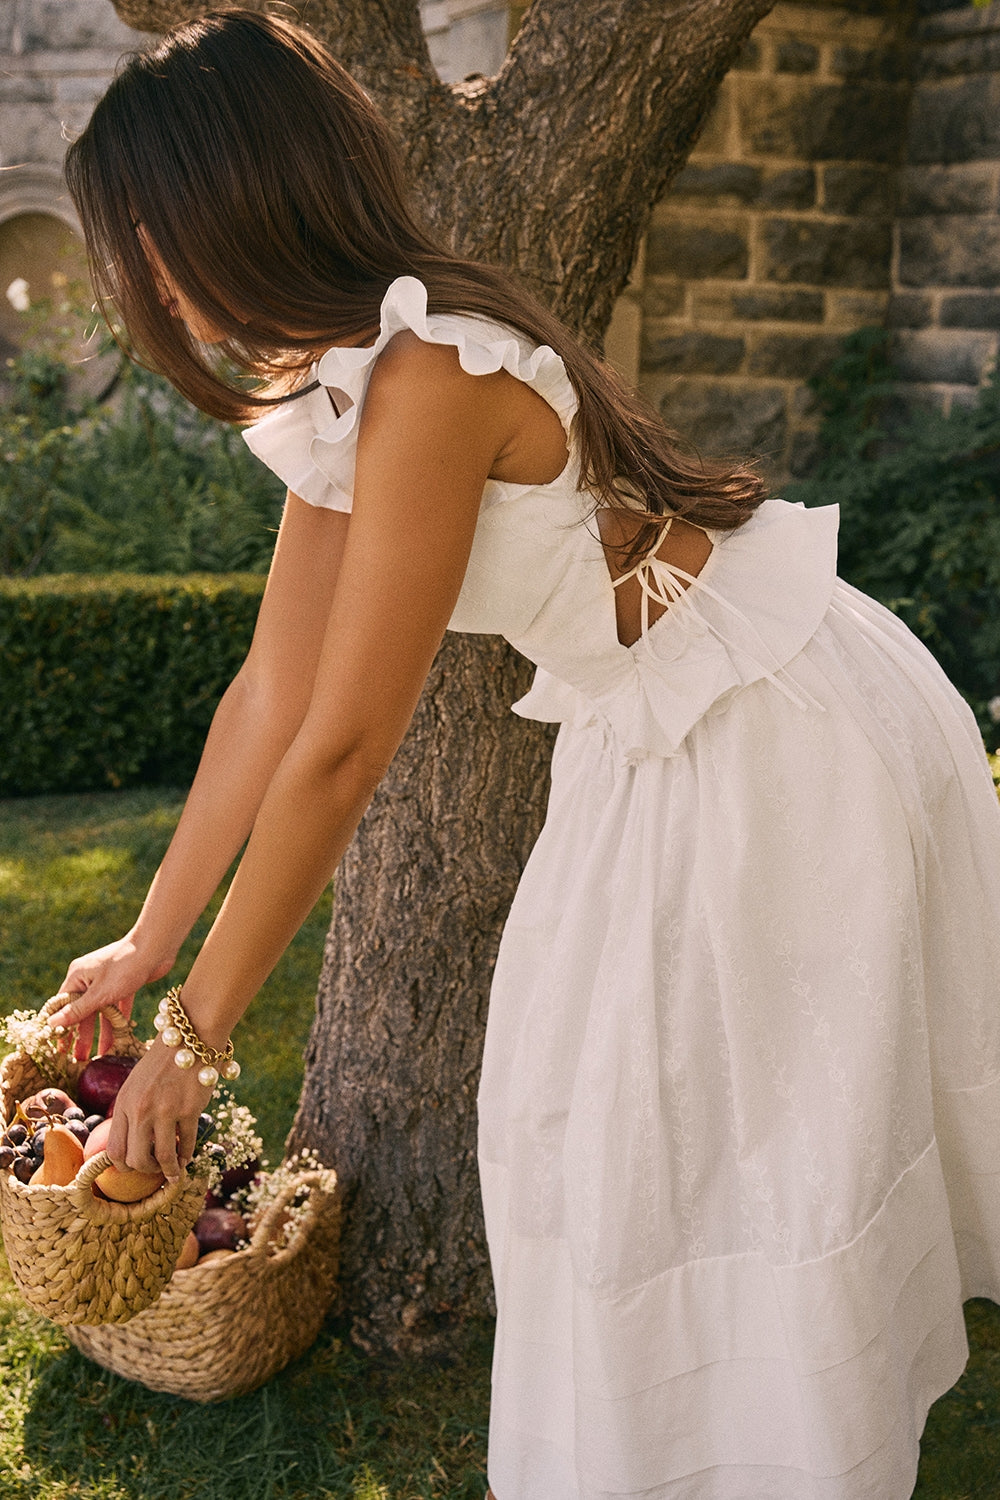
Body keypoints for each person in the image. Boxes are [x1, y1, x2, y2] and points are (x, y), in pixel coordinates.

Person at [48, 10, 1000, 1499]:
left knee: (738, 1137)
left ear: (235, 199)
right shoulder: (348, 382)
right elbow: (269, 697)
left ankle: (792, 1449)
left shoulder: (430, 376)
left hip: (766, 722)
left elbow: (345, 748)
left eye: (153, 245)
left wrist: (199, 1034)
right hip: (652, 727)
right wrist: (150, 939)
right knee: (598, 1135)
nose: (151, 287)